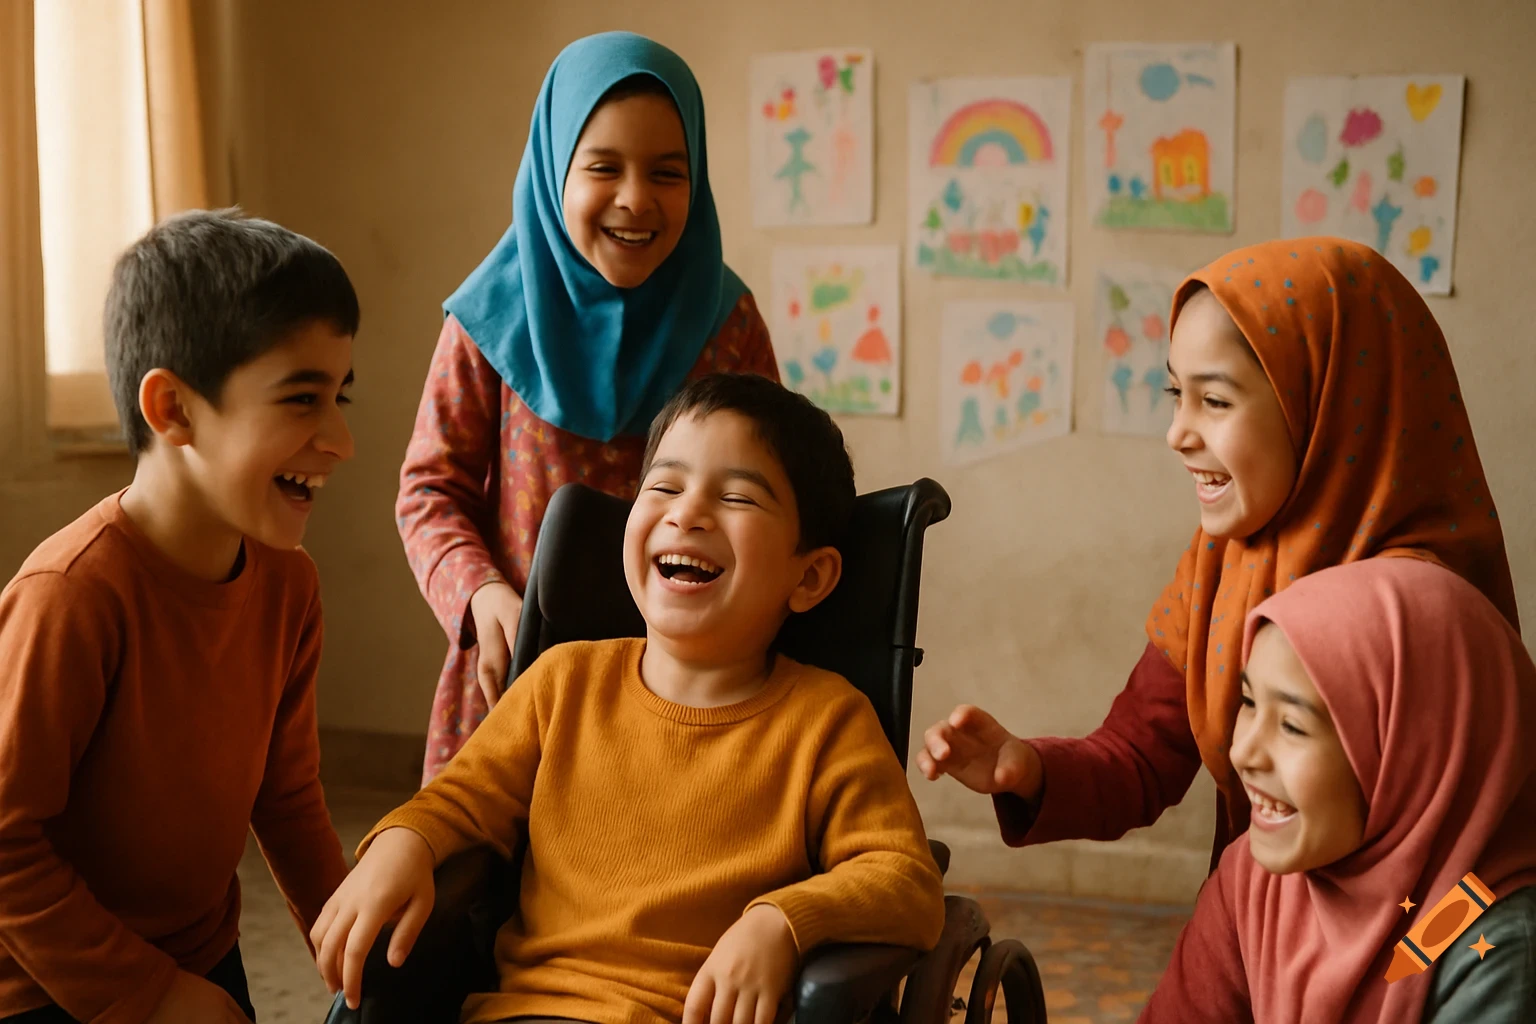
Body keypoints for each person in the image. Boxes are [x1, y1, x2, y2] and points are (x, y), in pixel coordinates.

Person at [316, 374, 944, 1024]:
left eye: (736, 497)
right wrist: (405, 842)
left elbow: (906, 879)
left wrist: (781, 922)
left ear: (809, 576)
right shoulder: (563, 684)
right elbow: (458, 800)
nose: (687, 514)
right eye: (665, 487)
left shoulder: (826, 721)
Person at [918, 238, 1518, 870]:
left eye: (1215, 401)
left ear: (1329, 401)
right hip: (1253, 919)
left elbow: (1434, 862)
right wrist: (1030, 768)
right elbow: (1140, 755)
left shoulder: (1424, 615)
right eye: (1175, 392)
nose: (1177, 433)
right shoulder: (1226, 558)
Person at [0, 209, 358, 1023]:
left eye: (340, 396)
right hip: (47, 985)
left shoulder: (289, 587)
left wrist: (347, 938)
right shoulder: (71, 596)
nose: (341, 439)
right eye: (303, 399)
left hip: (200, 954)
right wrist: (151, 996)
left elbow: (287, 795)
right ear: (174, 409)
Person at [397, 32, 779, 783]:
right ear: (553, 171)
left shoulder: (727, 324)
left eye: (668, 172)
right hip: (516, 679)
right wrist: (480, 594)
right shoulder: (489, 319)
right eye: (603, 167)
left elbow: (776, 496)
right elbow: (428, 492)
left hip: (685, 691)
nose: (636, 198)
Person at [1140, 557, 1536, 1023]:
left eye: (1292, 725)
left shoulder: (1491, 945)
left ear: (1410, 751)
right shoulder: (1257, 883)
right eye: (1248, 701)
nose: (1242, 752)